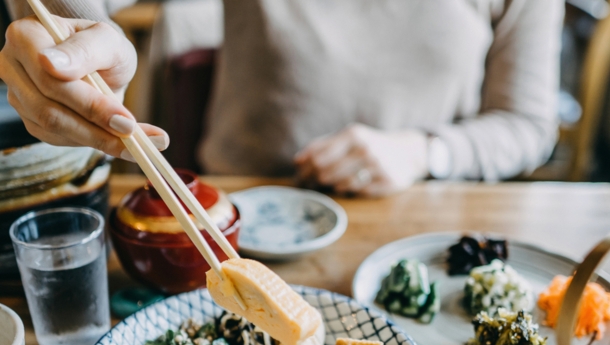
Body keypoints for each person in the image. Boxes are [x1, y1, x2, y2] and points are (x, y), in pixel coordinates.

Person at [0, 0, 564, 196]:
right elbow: (74, 11)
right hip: (235, 214)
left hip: (419, 219)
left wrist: (424, 152)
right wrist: (71, 38)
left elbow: (527, 124)